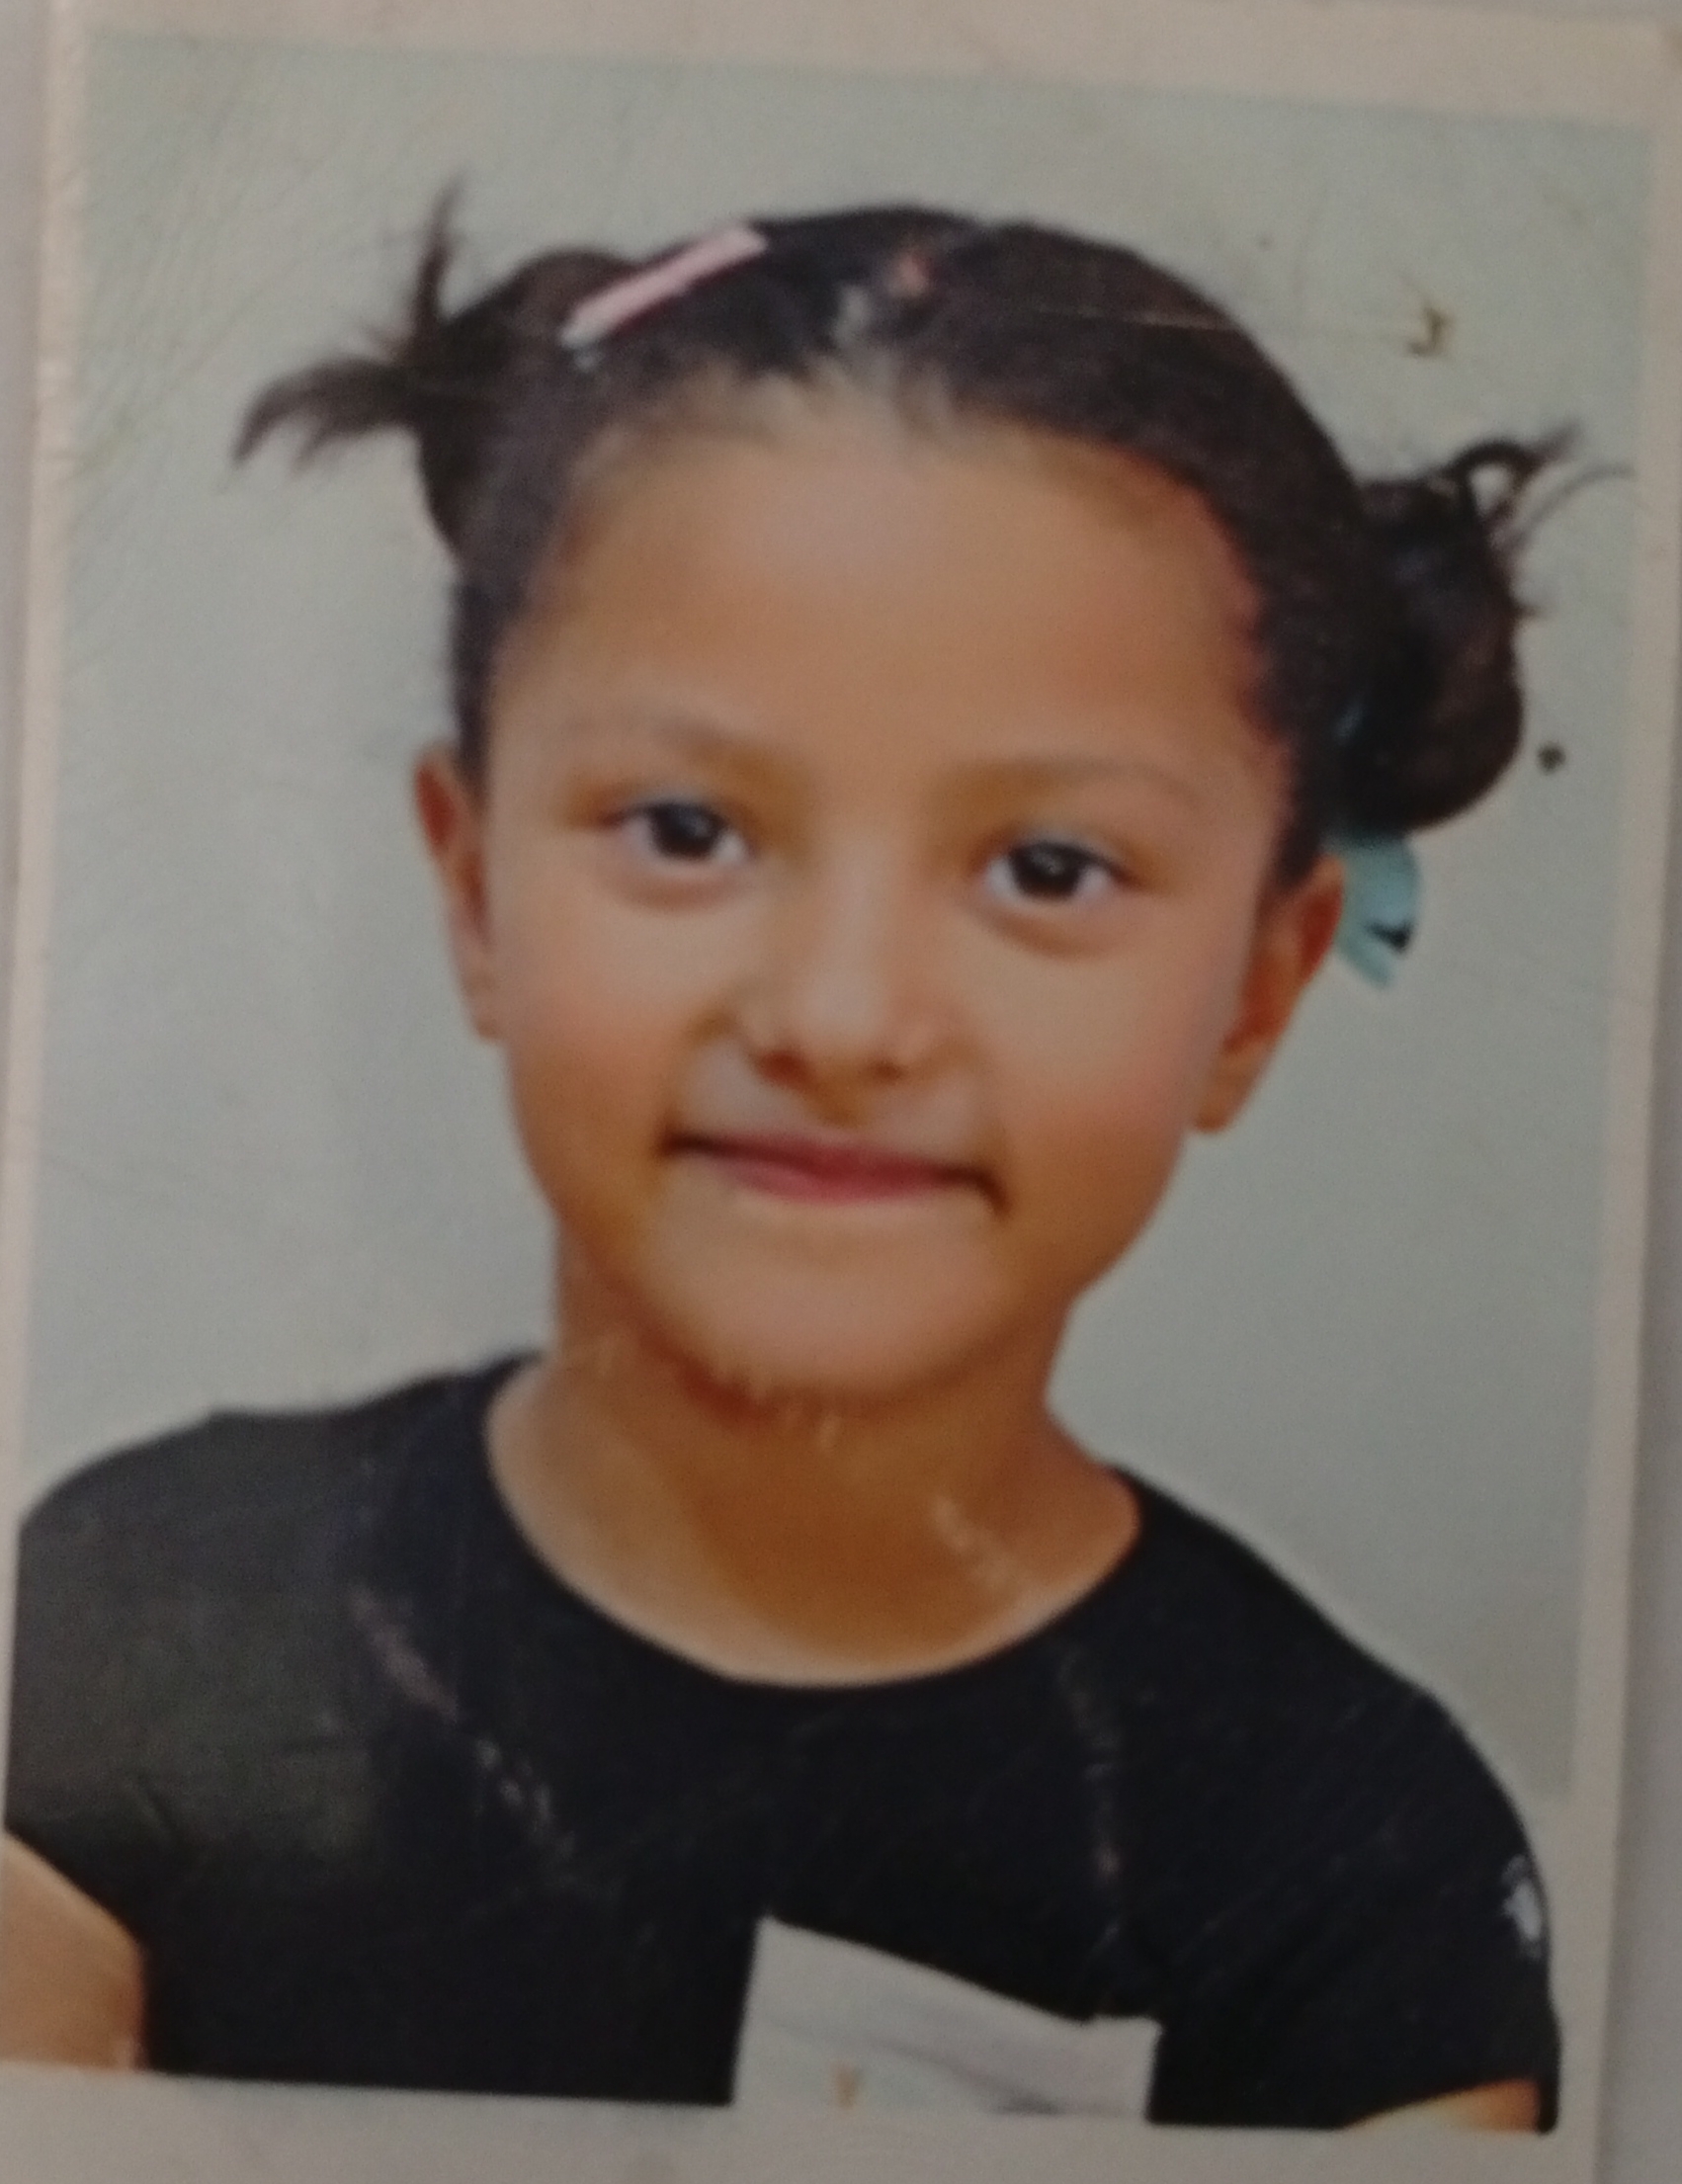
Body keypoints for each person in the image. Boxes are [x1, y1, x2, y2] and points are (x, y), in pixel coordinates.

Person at [2, 202, 1563, 2127]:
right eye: (685, 828)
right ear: (472, 887)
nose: (840, 1015)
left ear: (1258, 987)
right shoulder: (145, 1611)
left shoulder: (1363, 1885)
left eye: (1046, 867)